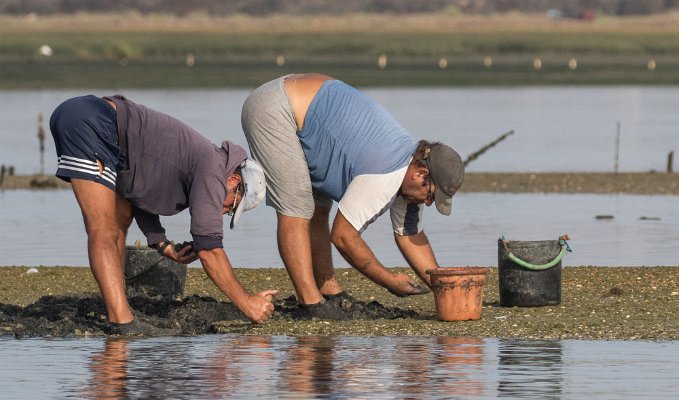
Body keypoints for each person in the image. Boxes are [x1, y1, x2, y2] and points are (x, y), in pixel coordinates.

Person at [50, 94, 276, 335]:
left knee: (120, 217)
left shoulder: (204, 163)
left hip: (89, 119)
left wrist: (163, 245)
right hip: (93, 122)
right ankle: (122, 321)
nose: (224, 212)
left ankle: (118, 310)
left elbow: (136, 191)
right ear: (233, 181)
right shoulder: (212, 169)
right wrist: (247, 303)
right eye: (231, 206)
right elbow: (209, 249)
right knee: (103, 229)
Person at [241, 73, 464, 308]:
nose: (428, 203)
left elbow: (410, 235)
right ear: (420, 173)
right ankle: (311, 301)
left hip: (309, 115)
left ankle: (329, 290)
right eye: (431, 195)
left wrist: (445, 291)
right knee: (296, 209)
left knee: (319, 209)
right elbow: (343, 237)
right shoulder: (385, 174)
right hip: (276, 108)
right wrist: (389, 280)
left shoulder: (409, 169)